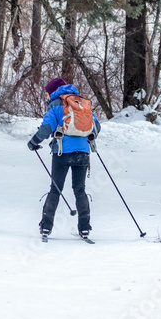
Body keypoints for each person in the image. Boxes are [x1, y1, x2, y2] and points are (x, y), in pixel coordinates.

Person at [26, 77, 101, 239]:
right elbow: (96, 127)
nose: (46, 96)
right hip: (82, 152)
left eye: (47, 93)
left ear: (53, 92)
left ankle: (46, 227)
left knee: (55, 189)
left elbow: (46, 128)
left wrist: (33, 142)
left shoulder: (55, 106)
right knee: (80, 190)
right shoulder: (81, 103)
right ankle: (84, 228)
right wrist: (86, 137)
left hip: (61, 152)